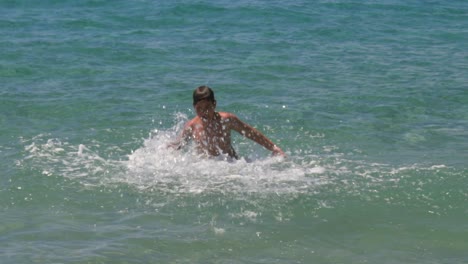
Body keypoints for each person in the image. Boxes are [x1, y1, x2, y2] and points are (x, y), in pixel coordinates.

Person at [169, 86, 285, 159]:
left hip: (230, 165)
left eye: (207, 107)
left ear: (214, 104)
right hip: (206, 169)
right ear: (194, 107)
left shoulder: (226, 120)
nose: (204, 112)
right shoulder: (192, 126)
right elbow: (177, 145)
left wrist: (274, 148)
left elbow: (251, 133)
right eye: (199, 108)